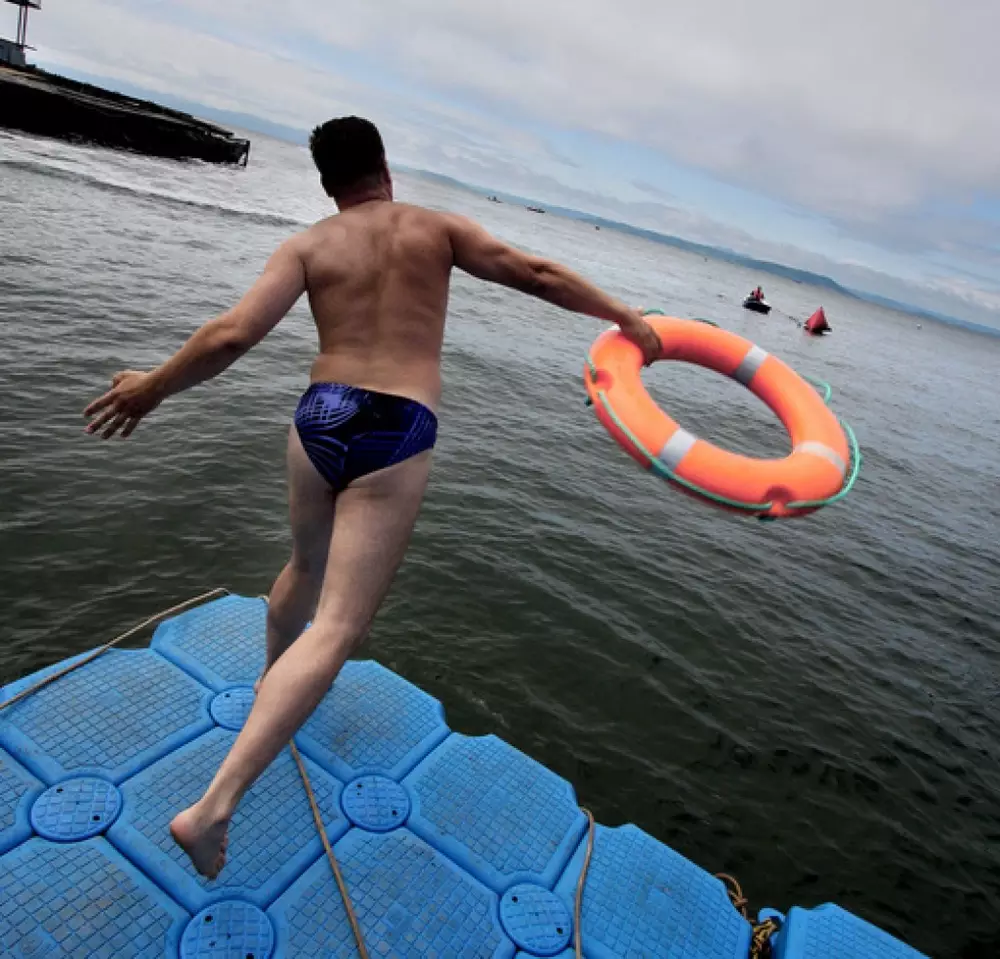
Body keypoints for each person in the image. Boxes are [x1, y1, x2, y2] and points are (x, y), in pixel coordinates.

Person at [83, 116, 661, 879]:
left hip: (320, 416)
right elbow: (537, 272)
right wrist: (627, 318)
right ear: (386, 167)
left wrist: (152, 388)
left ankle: (272, 678)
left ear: (328, 184)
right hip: (397, 425)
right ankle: (213, 806)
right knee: (339, 626)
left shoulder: (309, 245)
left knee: (303, 566)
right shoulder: (437, 228)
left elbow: (231, 334)